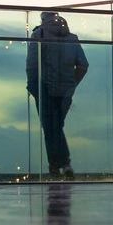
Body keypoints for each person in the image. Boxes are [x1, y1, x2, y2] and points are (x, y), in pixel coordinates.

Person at [26, 11, 89, 178]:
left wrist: (32, 85)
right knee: (56, 126)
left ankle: (57, 166)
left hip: (45, 88)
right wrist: (72, 83)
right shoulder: (72, 38)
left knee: (49, 128)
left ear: (43, 19)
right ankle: (64, 164)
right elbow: (83, 65)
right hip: (66, 91)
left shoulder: (38, 35)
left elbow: (32, 64)